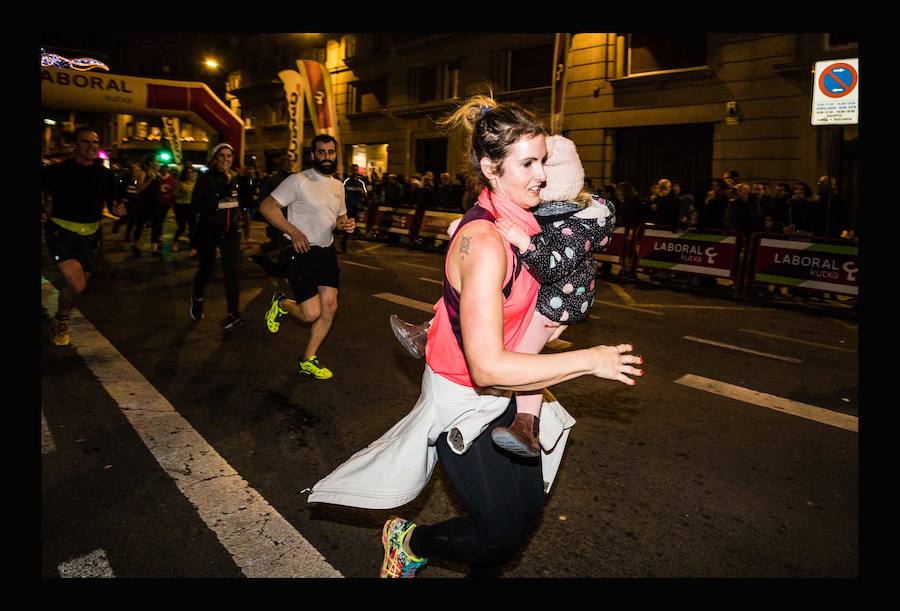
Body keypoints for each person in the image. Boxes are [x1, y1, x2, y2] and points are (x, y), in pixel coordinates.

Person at [306, 96, 642, 578]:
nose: (541, 176)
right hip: (465, 396)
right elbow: (486, 366)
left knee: (522, 517)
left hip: (510, 388)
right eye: (527, 164)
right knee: (500, 532)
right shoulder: (486, 243)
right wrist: (589, 360)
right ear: (490, 168)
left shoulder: (527, 222)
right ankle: (410, 541)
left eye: (543, 161)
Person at [390, 135, 617, 456]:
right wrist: (468, 226)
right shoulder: (547, 208)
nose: (536, 177)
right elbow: (500, 217)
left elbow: (554, 264)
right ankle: (426, 332)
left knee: (523, 362)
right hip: (542, 289)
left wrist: (525, 243)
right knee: (471, 302)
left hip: (558, 302)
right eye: (529, 165)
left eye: (541, 168)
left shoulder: (579, 224)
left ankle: (527, 426)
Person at [259, 134, 356, 380]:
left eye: (330, 152)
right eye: (321, 152)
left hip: (326, 253)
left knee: (330, 307)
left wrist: (346, 224)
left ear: (335, 155)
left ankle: (308, 359)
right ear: (313, 155)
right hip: (300, 252)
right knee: (311, 313)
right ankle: (281, 304)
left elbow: (339, 219)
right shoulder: (298, 180)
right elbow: (267, 207)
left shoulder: (338, 186)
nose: (326, 157)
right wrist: (293, 232)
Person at [41, 126, 125, 346]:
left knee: (77, 286)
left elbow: (113, 201)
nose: (92, 146)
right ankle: (62, 321)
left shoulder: (105, 175)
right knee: (77, 283)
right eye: (86, 142)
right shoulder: (58, 171)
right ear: (74, 145)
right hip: (62, 233)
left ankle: (61, 315)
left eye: (95, 142)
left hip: (91, 236)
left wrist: (118, 207)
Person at [189, 142, 245, 330]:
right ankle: (197, 297)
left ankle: (233, 313)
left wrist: (241, 212)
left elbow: (238, 202)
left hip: (231, 231)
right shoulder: (206, 179)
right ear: (215, 158)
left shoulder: (235, 178)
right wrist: (217, 196)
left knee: (232, 270)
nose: (226, 159)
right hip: (209, 229)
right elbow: (196, 206)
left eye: (229, 156)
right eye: (222, 156)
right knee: (207, 268)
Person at [129, 153, 161, 258]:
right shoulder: (143, 173)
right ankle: (135, 245)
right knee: (140, 226)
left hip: (155, 204)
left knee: (156, 226)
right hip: (144, 204)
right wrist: (151, 179)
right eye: (156, 161)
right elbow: (139, 189)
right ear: (151, 163)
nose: (158, 163)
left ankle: (154, 249)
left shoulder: (157, 173)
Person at [341, 163, 367, 253]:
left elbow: (365, 195)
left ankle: (345, 240)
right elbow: (341, 193)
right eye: (353, 170)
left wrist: (362, 202)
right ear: (350, 171)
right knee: (348, 226)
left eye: (356, 170)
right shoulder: (346, 182)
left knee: (352, 226)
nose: (355, 172)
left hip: (356, 209)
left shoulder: (361, 183)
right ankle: (344, 243)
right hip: (347, 208)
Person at [172, 165, 196, 253]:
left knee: (192, 228)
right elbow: (174, 194)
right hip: (181, 207)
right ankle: (175, 242)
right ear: (184, 174)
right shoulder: (181, 183)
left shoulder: (194, 183)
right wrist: (181, 194)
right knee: (181, 227)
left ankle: (193, 247)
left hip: (191, 207)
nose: (190, 174)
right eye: (188, 173)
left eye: (191, 172)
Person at [154, 165, 177, 256]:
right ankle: (159, 235)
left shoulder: (171, 180)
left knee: (161, 219)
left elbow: (175, 190)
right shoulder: (158, 178)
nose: (164, 171)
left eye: (166, 170)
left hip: (166, 203)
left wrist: (171, 192)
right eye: (163, 169)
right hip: (157, 202)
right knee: (158, 220)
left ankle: (159, 235)